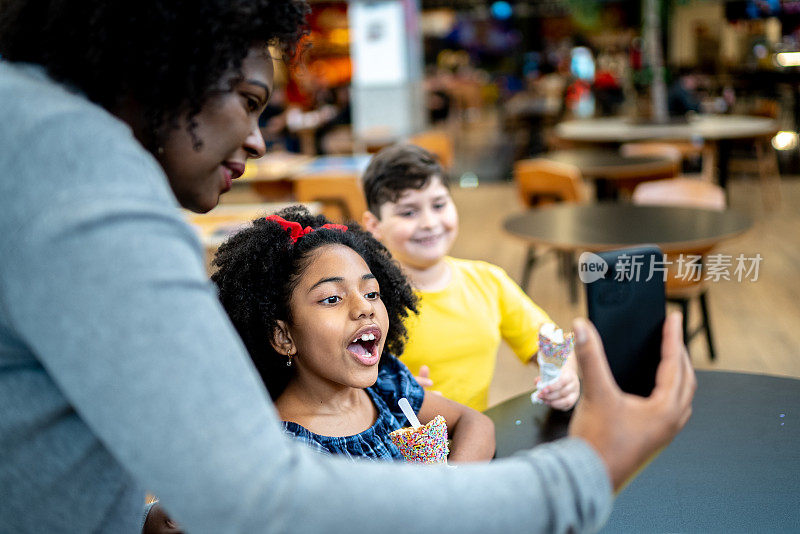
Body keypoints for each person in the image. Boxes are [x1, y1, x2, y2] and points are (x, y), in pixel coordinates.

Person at [0, 1, 696, 532]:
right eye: (247, 99)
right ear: (165, 59)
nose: (257, 136)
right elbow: (259, 498)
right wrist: (587, 470)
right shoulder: (75, 169)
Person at [211, 206, 494, 461]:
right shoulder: (287, 453)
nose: (364, 307)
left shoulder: (386, 384)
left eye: (371, 292)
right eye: (332, 298)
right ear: (284, 337)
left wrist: (450, 488)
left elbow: (476, 423)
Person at [361, 144, 580, 412]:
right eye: (408, 212)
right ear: (374, 226)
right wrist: (383, 390)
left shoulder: (488, 281)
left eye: (439, 204)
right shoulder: (367, 302)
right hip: (394, 449)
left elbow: (552, 342)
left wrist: (565, 375)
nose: (429, 222)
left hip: (477, 442)